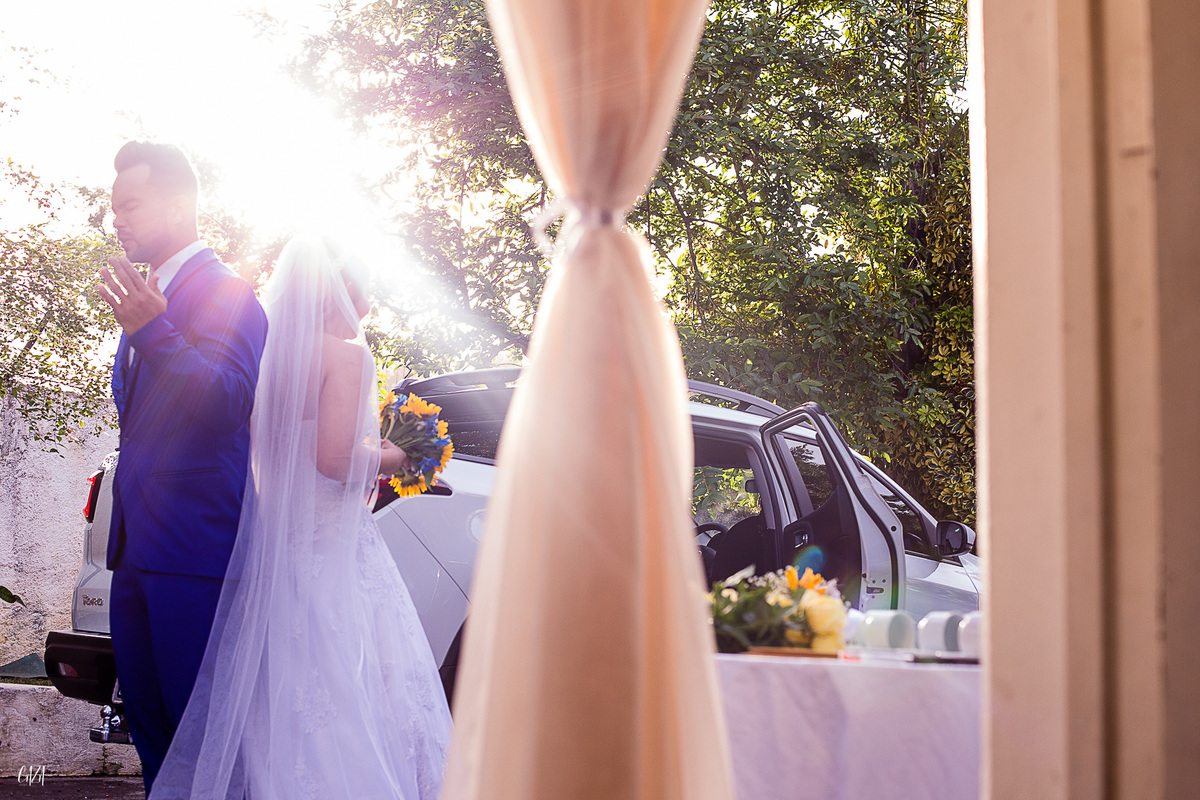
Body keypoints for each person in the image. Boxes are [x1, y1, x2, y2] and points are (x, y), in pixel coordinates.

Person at [148, 237, 452, 799]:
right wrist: (402, 453)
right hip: (333, 545)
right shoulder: (346, 356)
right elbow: (336, 460)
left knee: (277, 695)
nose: (369, 305)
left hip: (276, 545)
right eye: (368, 291)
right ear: (346, 291)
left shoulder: (266, 354)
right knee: (353, 680)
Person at [97, 141, 268, 794]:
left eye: (130, 204)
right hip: (134, 552)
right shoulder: (146, 297)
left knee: (205, 735)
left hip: (195, 551)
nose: (118, 220)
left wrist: (154, 332)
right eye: (113, 209)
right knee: (151, 738)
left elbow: (227, 402)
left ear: (179, 203)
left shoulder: (229, 293)